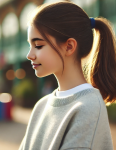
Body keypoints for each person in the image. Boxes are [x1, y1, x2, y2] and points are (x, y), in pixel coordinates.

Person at [19, 1, 116, 150]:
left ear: (69, 46)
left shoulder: (88, 107)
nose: (29, 55)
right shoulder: (41, 105)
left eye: (38, 45)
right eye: (30, 46)